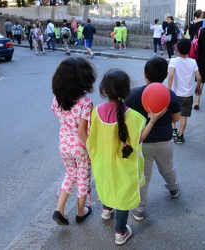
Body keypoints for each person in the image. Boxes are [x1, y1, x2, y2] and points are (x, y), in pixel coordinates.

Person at [87, 68, 166, 246]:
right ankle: (120, 232)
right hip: (124, 166)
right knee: (122, 196)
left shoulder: (96, 112)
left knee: (107, 185)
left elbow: (92, 141)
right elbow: (139, 139)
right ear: (126, 90)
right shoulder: (135, 117)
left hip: (104, 164)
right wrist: (153, 120)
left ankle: (106, 209)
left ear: (103, 89)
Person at [124, 57, 180, 221]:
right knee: (168, 168)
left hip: (142, 142)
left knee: (143, 176)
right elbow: (176, 118)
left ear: (145, 74)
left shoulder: (133, 94)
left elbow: (126, 118)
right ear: (164, 75)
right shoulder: (170, 94)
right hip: (165, 140)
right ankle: (174, 189)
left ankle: (139, 209)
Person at [51, 57, 97, 226]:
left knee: (70, 175)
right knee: (83, 178)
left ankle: (60, 209)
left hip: (64, 143)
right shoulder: (85, 102)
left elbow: (58, 116)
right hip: (80, 146)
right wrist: (91, 150)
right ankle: (80, 211)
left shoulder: (57, 99)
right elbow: (82, 131)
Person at [167, 39, 202, 144]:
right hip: (187, 94)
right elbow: (199, 78)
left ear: (177, 49)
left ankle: (173, 129)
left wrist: (169, 90)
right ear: (189, 49)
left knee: (173, 112)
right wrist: (198, 87)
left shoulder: (174, 61)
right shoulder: (193, 62)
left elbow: (171, 75)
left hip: (174, 93)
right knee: (184, 116)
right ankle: (180, 136)